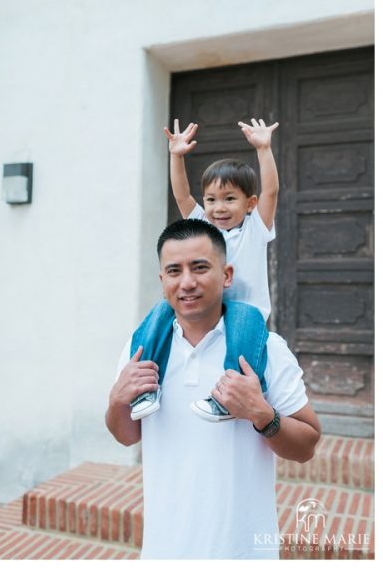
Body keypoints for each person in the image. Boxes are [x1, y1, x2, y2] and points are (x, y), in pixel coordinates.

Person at [106, 219, 320, 559]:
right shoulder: (140, 349)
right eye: (174, 271)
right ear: (163, 281)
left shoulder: (265, 349)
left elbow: (307, 445)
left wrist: (261, 414)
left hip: (243, 552)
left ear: (227, 275)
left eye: (200, 267)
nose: (187, 282)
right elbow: (127, 435)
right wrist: (117, 402)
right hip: (163, 550)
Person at [129, 117, 279, 421]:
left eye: (229, 199)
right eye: (211, 199)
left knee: (243, 326)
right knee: (159, 312)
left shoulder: (255, 228)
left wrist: (263, 148)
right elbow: (182, 195)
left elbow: (271, 192)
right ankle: (144, 387)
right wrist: (176, 155)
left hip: (243, 309)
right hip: (204, 306)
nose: (218, 208)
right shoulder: (202, 226)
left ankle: (227, 398)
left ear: (249, 203)